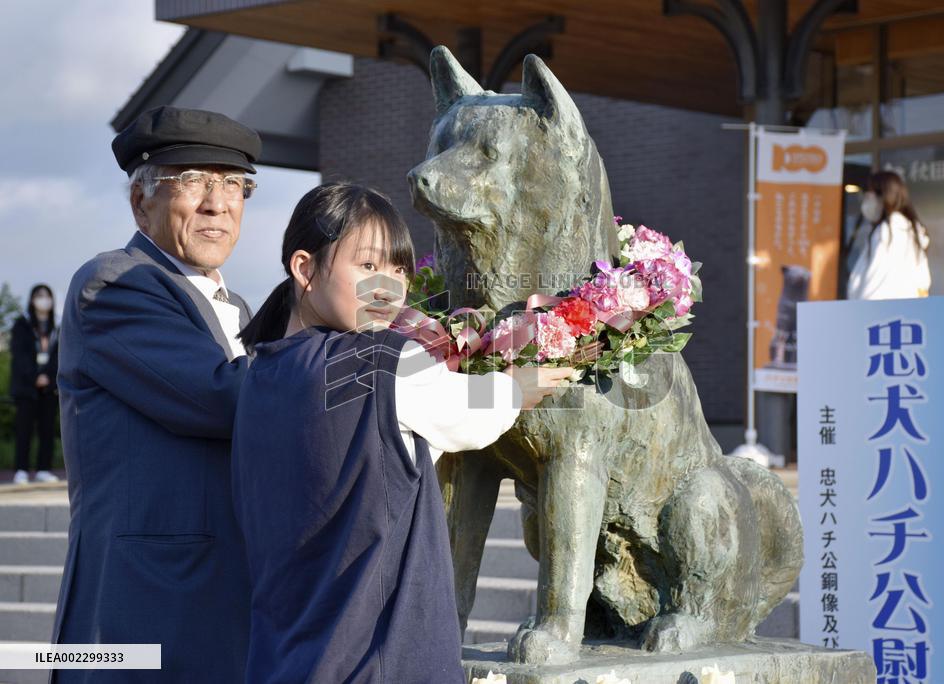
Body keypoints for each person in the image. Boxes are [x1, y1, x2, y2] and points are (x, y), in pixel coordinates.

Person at [232, 183, 577, 683]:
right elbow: (468, 413)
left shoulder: (254, 376)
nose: (390, 289)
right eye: (368, 266)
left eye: (399, 270)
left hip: (280, 660)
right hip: (377, 660)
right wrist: (517, 384)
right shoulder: (379, 364)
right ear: (304, 268)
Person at [52, 106, 260, 682]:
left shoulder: (239, 308)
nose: (217, 203)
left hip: (217, 597)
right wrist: (373, 364)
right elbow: (224, 397)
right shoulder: (115, 283)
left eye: (234, 185)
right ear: (140, 201)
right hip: (137, 606)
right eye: (192, 181)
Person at [846, 170, 931, 300]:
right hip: (901, 312)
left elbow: (874, 286)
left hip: (878, 314)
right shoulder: (907, 229)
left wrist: (857, 313)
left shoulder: (890, 230)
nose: (865, 201)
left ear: (883, 196)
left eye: (869, 196)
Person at [9, 284, 60, 484]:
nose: (44, 299)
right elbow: (19, 355)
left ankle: (43, 469)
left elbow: (59, 356)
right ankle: (21, 469)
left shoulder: (57, 326)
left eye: (47, 295)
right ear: (32, 299)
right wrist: (34, 377)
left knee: (47, 429)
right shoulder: (22, 324)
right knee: (24, 430)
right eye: (40, 296)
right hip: (26, 388)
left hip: (49, 388)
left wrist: (48, 376)